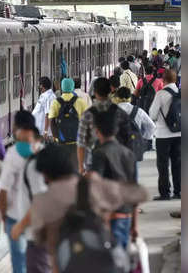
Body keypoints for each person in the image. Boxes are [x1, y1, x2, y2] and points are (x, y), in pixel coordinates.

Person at [29, 145, 148, 272]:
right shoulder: (92, 186)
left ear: (45, 174)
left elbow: (40, 241)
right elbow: (141, 194)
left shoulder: (40, 201)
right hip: (102, 263)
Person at [0, 111, 48, 273]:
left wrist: (4, 217)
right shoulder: (43, 150)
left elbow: (3, 190)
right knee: (39, 261)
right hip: (39, 216)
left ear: (17, 128)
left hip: (15, 216)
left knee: (19, 262)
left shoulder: (12, 154)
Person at [90, 110, 140, 249]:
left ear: (97, 130)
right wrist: (135, 225)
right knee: (121, 261)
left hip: (110, 218)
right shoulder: (128, 154)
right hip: (126, 216)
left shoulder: (99, 154)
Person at [77, 78, 132, 175]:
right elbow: (127, 137)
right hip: (117, 159)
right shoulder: (119, 112)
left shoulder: (87, 115)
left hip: (93, 161)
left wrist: (81, 167)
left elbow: (81, 143)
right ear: (110, 90)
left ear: (94, 92)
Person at [149, 70, 181, 201]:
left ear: (163, 79)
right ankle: (178, 192)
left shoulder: (161, 94)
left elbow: (152, 114)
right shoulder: (181, 93)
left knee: (163, 165)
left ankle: (165, 193)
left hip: (163, 134)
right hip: (180, 133)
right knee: (178, 163)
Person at [47, 78, 89, 145]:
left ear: (61, 88)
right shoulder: (81, 101)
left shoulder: (55, 102)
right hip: (77, 140)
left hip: (61, 140)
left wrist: (57, 138)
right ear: (72, 87)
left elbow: (51, 122)